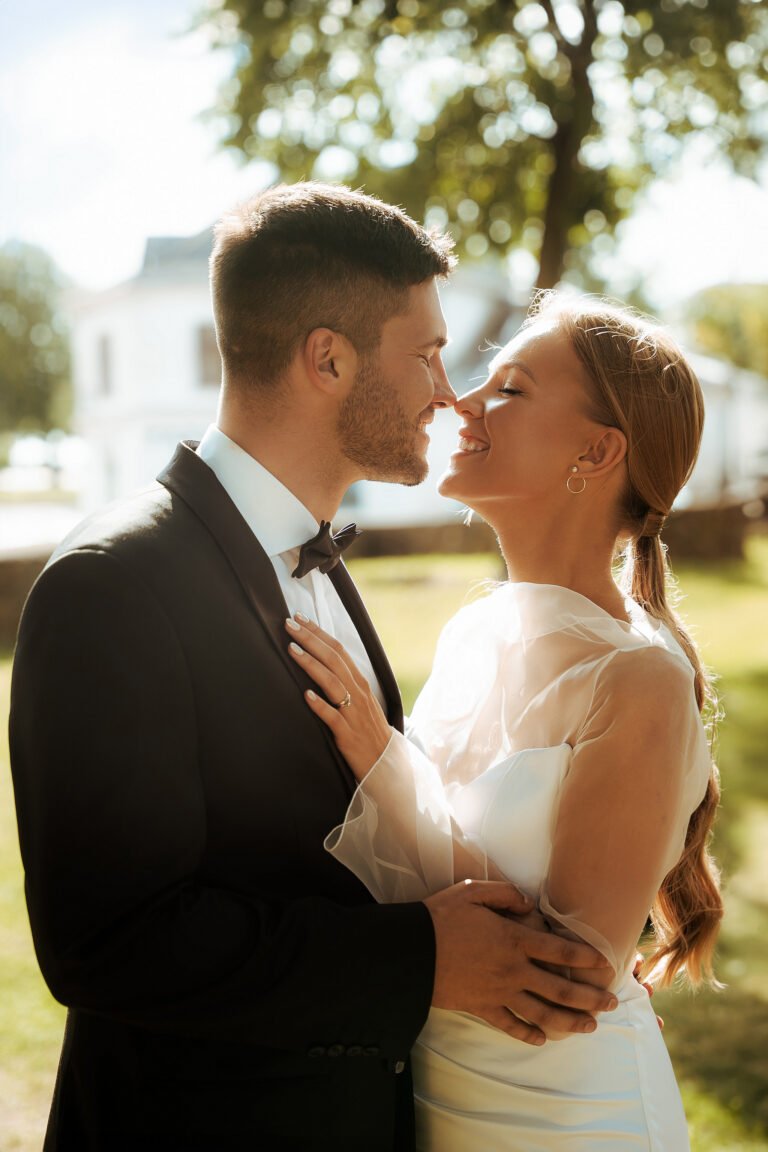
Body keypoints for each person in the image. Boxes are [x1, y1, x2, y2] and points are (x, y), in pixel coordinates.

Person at [9, 185, 617, 1152]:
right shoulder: (112, 584)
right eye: (424, 353)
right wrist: (422, 960)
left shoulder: (324, 558)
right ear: (327, 358)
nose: (449, 391)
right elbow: (110, 941)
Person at [284, 292, 724, 1151]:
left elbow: (573, 980)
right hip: (437, 1107)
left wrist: (385, 761)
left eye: (511, 389)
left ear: (597, 452)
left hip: (569, 1118)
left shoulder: (639, 682)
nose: (461, 401)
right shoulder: (472, 632)